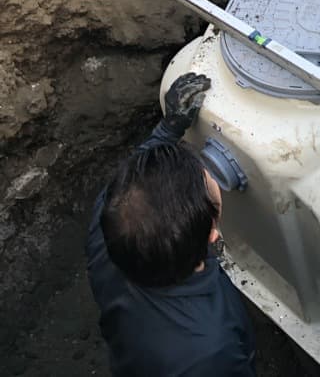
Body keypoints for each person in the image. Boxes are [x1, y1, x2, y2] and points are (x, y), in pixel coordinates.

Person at [86, 72, 256, 376]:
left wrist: (168, 130)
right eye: (205, 179)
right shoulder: (210, 352)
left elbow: (133, 183)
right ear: (211, 233)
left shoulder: (110, 222)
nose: (206, 171)